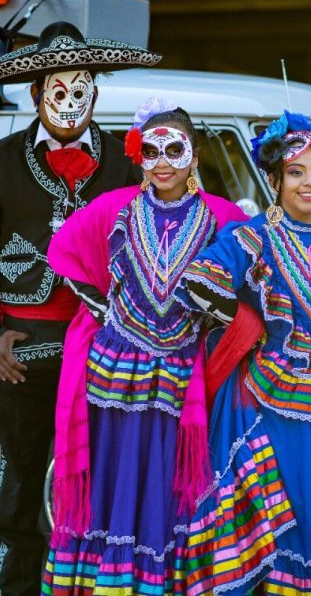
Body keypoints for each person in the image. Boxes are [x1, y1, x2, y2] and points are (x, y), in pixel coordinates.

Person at [177, 110, 311, 595]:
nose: (310, 182)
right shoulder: (252, 237)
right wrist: (244, 320)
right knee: (281, 514)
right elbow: (200, 280)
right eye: (296, 172)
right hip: (267, 403)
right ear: (274, 179)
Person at [41, 98, 247, 595]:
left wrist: (213, 318)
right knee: (115, 470)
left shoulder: (221, 216)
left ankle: (156, 581)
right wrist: (102, 309)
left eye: (174, 149)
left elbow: (245, 276)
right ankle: (108, 582)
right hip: (114, 368)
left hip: (179, 372)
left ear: (194, 156)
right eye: (151, 150)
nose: (162, 161)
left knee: (162, 476)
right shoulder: (115, 207)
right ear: (138, 154)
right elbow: (64, 249)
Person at [0, 22, 160, 596]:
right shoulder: (1, 161)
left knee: (94, 478)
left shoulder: (126, 164)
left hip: (105, 350)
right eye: (57, 91)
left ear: (96, 90)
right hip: (20, 350)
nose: (70, 103)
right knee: (18, 483)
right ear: (37, 94)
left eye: (82, 89)